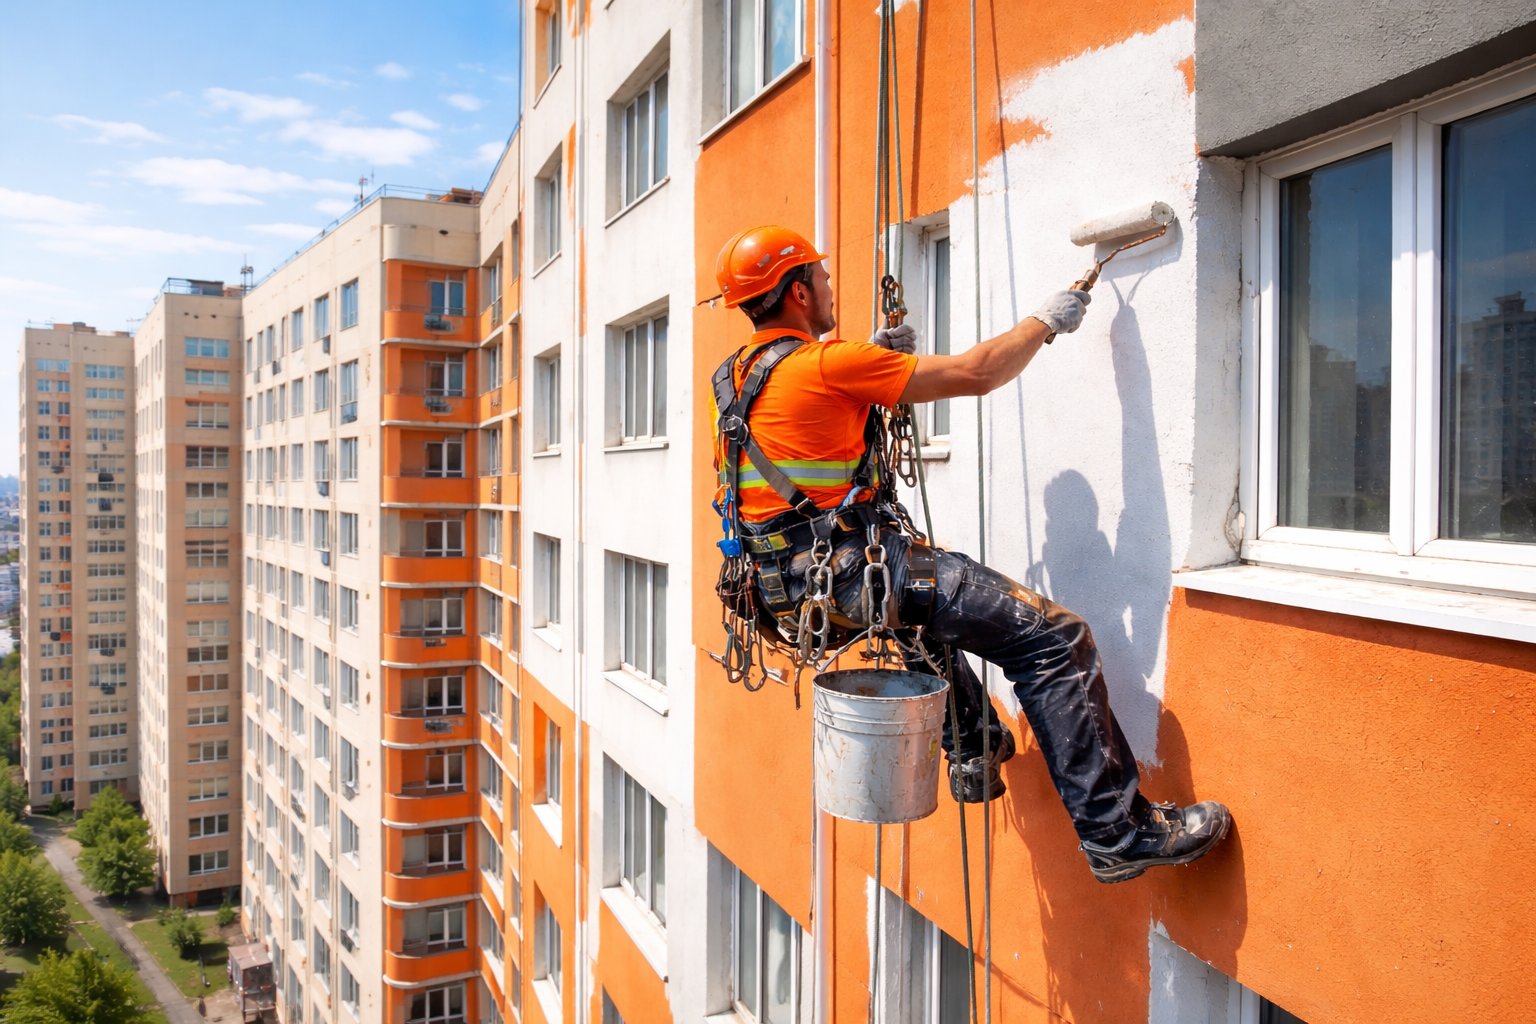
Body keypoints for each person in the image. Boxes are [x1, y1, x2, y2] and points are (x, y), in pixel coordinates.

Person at [710, 225, 1232, 883]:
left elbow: (800, 430)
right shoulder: (827, 363)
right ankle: (1116, 831)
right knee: (1053, 639)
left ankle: (972, 744)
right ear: (798, 292)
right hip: (846, 576)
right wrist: (1044, 322)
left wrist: (867, 362)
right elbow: (977, 373)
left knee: (927, 607)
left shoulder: (733, 379)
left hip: (779, 591)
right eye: (821, 275)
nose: (830, 284)